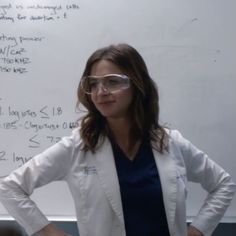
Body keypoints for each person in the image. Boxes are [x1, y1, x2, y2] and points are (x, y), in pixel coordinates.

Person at [0, 43, 235, 236]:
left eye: (112, 81)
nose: (101, 91)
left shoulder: (171, 143)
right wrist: (51, 233)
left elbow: (223, 184)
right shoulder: (77, 147)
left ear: (137, 85)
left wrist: (198, 230)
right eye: (94, 84)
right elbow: (9, 187)